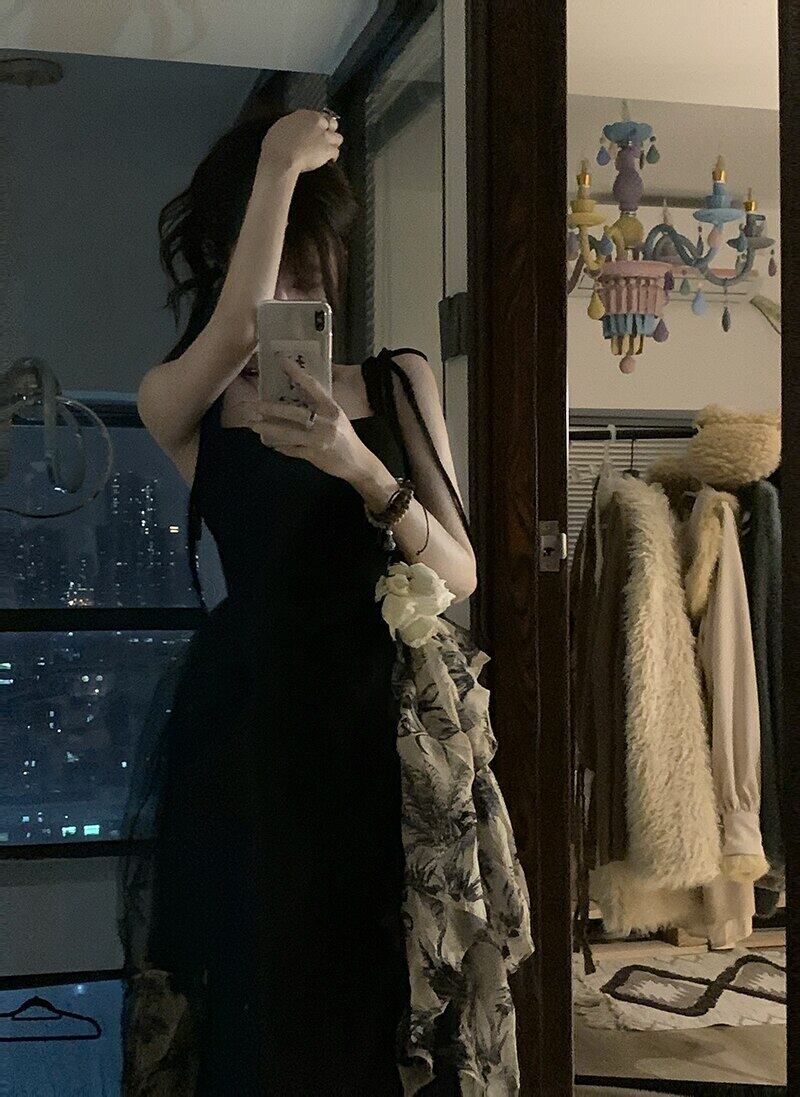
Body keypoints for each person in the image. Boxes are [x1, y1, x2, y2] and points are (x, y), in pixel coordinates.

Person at [117, 102, 476, 1095]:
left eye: (310, 274)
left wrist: (359, 465)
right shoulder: (181, 399)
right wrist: (276, 164)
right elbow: (239, 327)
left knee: (374, 988)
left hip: (374, 726)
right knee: (258, 988)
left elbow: (459, 574)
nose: (291, 294)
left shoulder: (397, 380)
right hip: (248, 729)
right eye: (271, 267)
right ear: (228, 259)